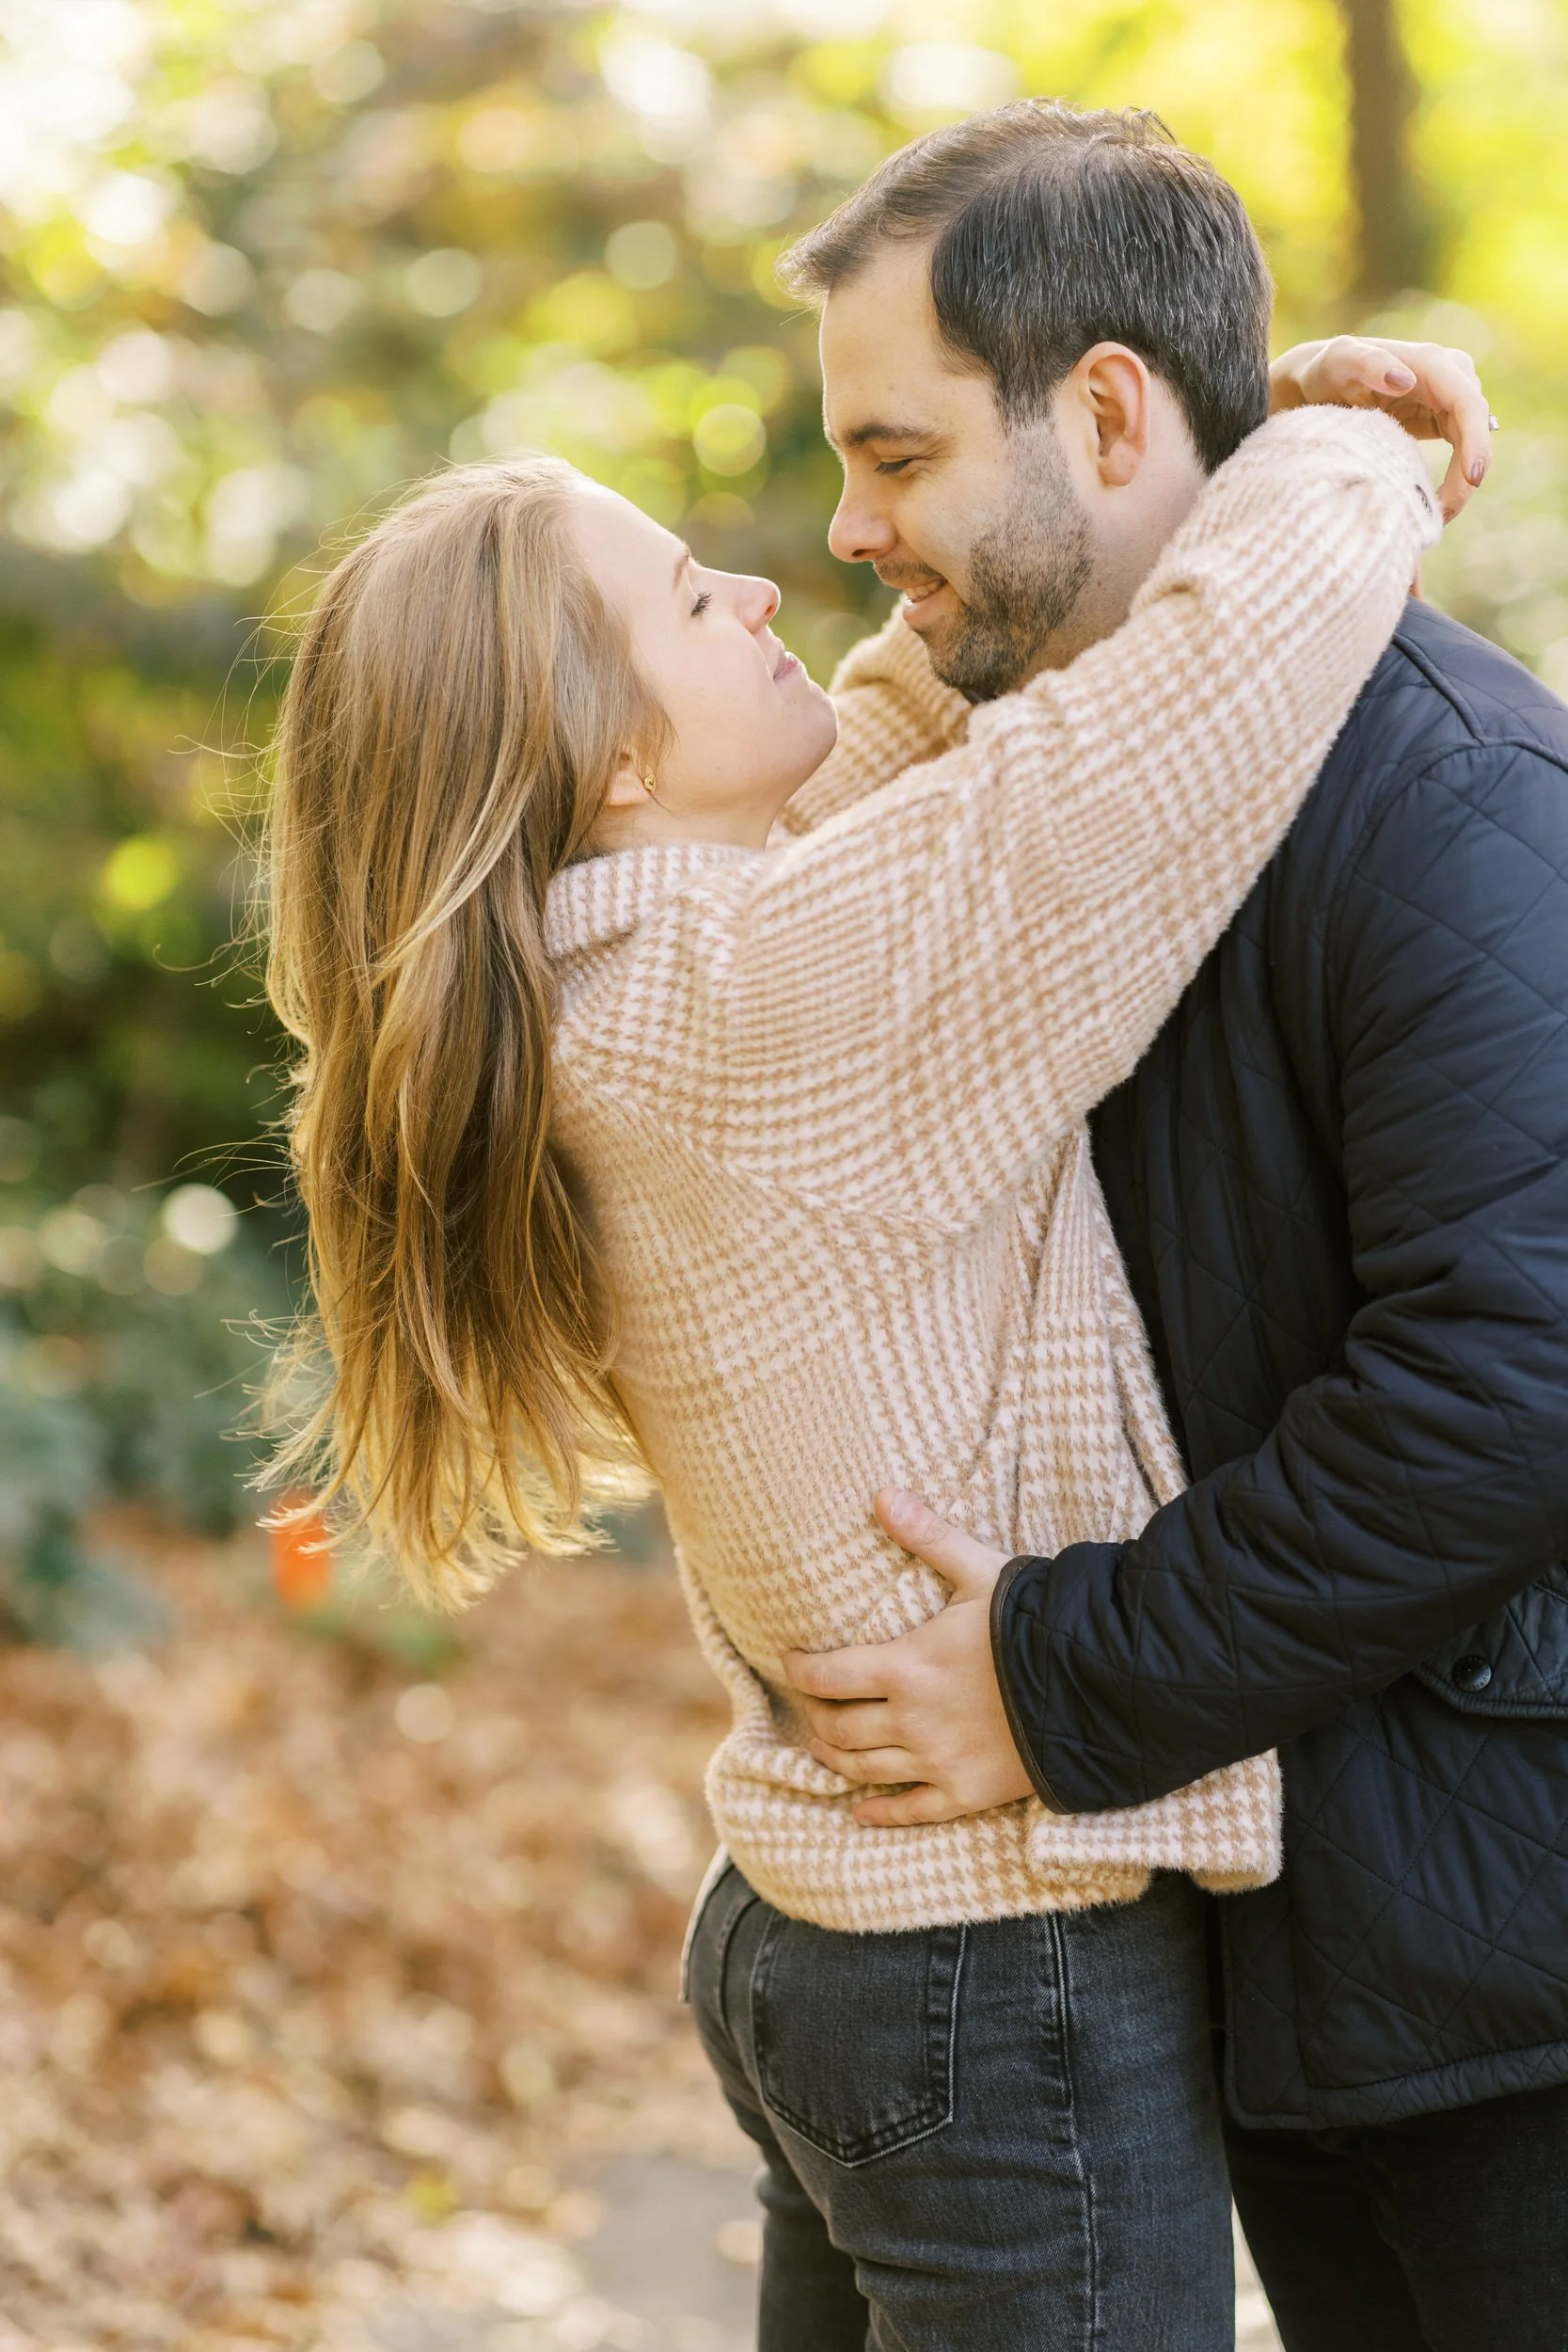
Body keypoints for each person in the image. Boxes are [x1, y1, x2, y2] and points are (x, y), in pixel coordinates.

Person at [783, 103, 1568, 2352]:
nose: (850, 526)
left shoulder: (1441, 802)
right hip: (1302, 1954)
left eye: (897, 454)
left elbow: (1507, 1381)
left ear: (1108, 411)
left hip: (1503, 1979)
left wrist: (1051, 1671)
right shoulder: (1067, 798)